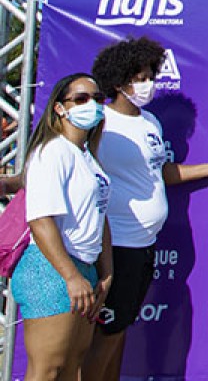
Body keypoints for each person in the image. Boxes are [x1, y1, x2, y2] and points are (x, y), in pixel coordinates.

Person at [85, 37, 208, 381]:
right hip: (114, 244)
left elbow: (160, 172)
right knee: (104, 334)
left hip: (145, 243)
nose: (147, 83)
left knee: (119, 329)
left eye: (151, 75)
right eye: (139, 77)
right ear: (118, 81)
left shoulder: (150, 122)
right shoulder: (99, 122)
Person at [13, 74, 112, 381]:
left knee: (71, 369)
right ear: (59, 108)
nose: (91, 105)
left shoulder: (88, 157)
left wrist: (106, 274)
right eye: (81, 99)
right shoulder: (52, 152)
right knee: (48, 369)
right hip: (52, 270)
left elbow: (100, 217)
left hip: (84, 270)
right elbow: (40, 220)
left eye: (97, 98)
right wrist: (70, 276)